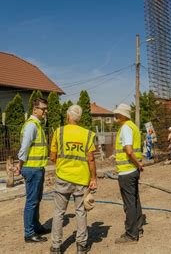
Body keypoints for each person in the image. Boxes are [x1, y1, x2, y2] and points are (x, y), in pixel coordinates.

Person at [49, 105, 97, 254]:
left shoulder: (59, 132)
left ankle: (56, 247)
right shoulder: (88, 134)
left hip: (63, 177)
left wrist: (63, 166)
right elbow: (91, 159)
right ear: (80, 117)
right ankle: (81, 246)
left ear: (68, 116)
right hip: (81, 179)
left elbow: (52, 157)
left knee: (58, 212)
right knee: (81, 212)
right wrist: (93, 178)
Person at [15, 98, 50, 243]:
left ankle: (36, 226)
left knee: (36, 199)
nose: (45, 111)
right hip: (32, 168)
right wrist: (20, 164)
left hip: (37, 168)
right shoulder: (32, 126)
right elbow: (25, 147)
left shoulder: (37, 125)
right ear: (35, 109)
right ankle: (29, 233)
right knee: (32, 201)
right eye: (43, 109)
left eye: (46, 109)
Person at [113, 103, 145, 244]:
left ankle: (131, 234)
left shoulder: (126, 128)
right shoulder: (133, 126)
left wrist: (138, 164)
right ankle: (138, 228)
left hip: (127, 170)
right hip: (133, 169)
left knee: (130, 203)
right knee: (135, 200)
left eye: (117, 114)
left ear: (122, 115)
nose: (116, 116)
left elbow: (129, 150)